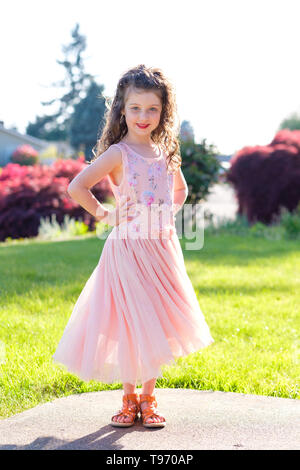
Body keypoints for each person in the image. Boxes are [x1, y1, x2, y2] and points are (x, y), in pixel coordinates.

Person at [52, 64, 214, 428]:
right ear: (122, 110)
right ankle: (128, 399)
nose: (144, 116)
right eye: (136, 108)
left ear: (163, 112)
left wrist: (168, 214)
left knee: (155, 320)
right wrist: (105, 214)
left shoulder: (166, 152)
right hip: (127, 252)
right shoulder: (118, 154)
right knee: (130, 322)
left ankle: (148, 398)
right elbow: (77, 186)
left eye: (152, 109)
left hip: (161, 251)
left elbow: (180, 189)